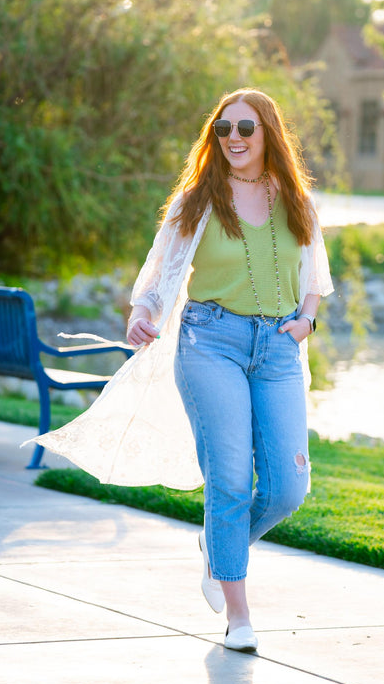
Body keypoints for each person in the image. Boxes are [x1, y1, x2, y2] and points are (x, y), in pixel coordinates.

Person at [29, 87, 333, 653]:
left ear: (268, 131)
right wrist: (142, 313)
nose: (233, 139)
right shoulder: (197, 199)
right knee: (230, 481)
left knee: (290, 486)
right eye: (223, 129)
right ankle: (239, 616)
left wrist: (307, 321)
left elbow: (316, 272)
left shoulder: (295, 198)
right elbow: (158, 271)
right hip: (209, 342)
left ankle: (218, 546)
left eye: (245, 128)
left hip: (278, 349)